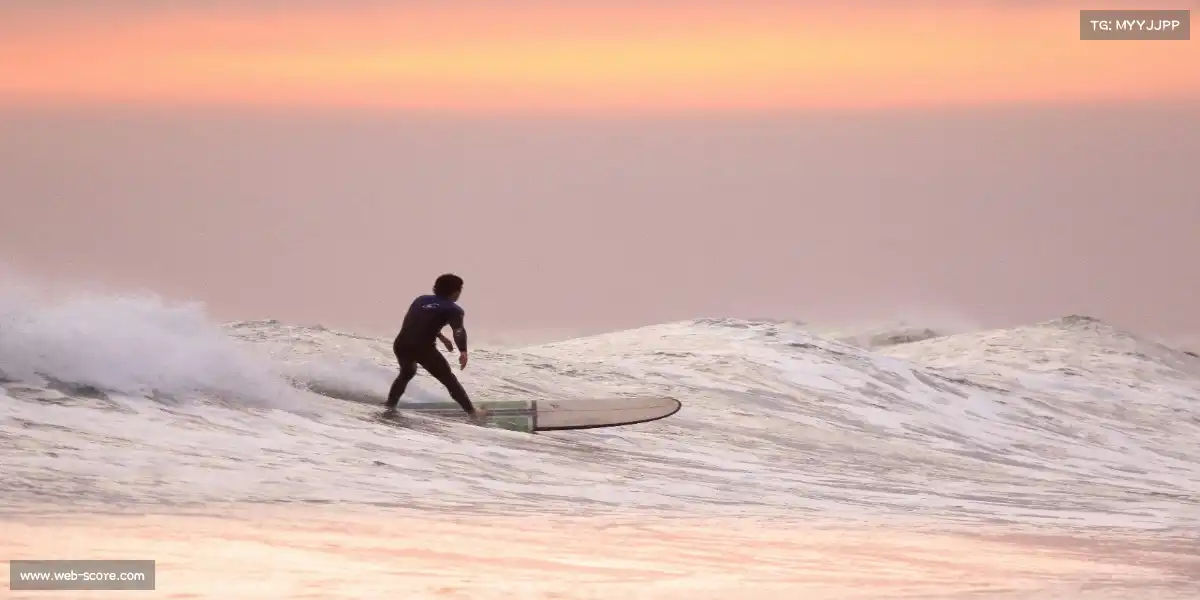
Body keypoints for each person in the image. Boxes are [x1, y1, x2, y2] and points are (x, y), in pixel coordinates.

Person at [386, 273, 487, 422]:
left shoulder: (420, 300)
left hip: (401, 344)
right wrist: (463, 351)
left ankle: (390, 406)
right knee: (449, 380)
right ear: (456, 292)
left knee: (407, 372)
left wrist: (441, 337)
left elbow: (418, 322)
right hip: (423, 348)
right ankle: (472, 413)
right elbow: (458, 330)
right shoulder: (454, 309)